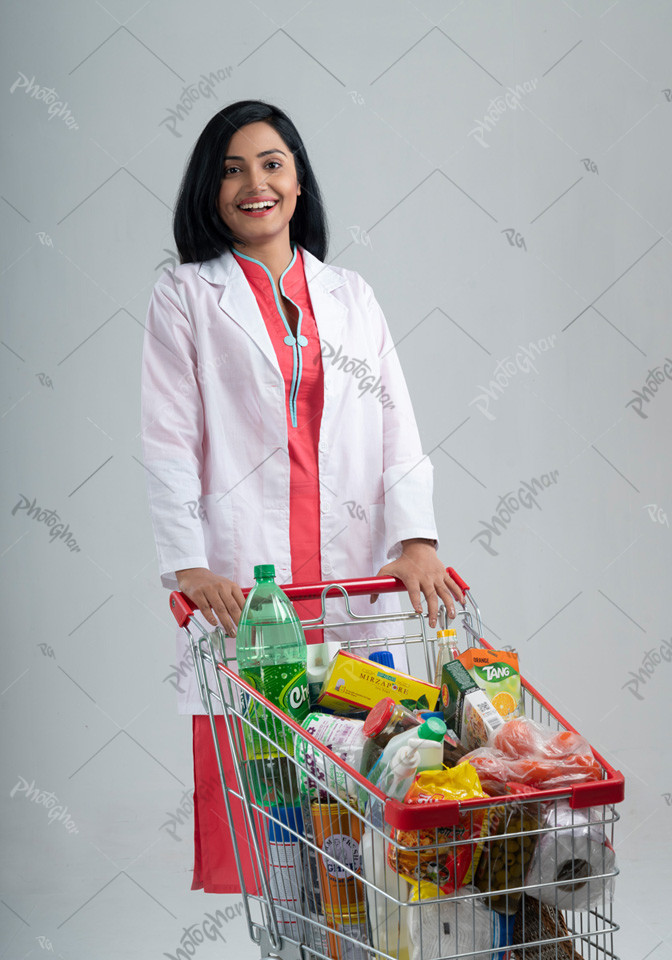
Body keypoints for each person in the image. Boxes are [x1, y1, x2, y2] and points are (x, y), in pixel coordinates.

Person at [140, 99, 463, 894]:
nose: (256, 183)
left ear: (298, 178)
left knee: (371, 793)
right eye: (232, 168)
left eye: (272, 163)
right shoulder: (186, 296)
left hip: (353, 580)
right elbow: (168, 441)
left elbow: (398, 425)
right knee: (279, 812)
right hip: (253, 593)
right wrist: (189, 567)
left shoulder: (351, 295)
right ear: (210, 192)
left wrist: (415, 539)